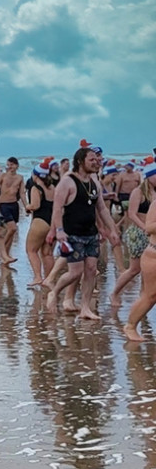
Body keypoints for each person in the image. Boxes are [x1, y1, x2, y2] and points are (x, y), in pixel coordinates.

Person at [47, 142, 119, 320]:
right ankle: (54, 292)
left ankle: (85, 308)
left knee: (91, 270)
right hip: (73, 233)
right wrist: (59, 231)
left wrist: (112, 230)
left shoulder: (94, 181)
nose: (97, 162)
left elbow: (101, 208)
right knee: (75, 272)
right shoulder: (68, 181)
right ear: (80, 161)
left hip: (91, 233)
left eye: (97, 159)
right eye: (92, 159)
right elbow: (57, 209)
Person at [112, 158, 154, 308]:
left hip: (152, 235)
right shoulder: (138, 192)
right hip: (138, 233)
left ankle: (143, 297)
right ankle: (115, 293)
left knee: (148, 268)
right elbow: (132, 214)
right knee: (135, 269)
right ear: (149, 176)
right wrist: (144, 228)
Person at [123, 159, 156, 342]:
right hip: (153, 255)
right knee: (150, 296)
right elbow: (150, 227)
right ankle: (130, 326)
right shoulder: (154, 202)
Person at [23, 158, 58, 287]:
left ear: (35, 175)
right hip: (52, 221)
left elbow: (36, 205)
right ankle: (49, 279)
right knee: (47, 253)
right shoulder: (52, 187)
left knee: (31, 250)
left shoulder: (35, 187)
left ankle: (38, 277)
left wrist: (28, 207)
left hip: (40, 221)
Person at [0, 157, 24, 265]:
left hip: (14, 205)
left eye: (12, 165)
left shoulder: (20, 177)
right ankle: (2, 250)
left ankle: (6, 256)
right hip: (4, 204)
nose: (10, 167)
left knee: (11, 232)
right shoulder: (3, 176)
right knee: (12, 228)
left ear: (17, 166)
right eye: (8, 165)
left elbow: (22, 193)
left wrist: (27, 206)